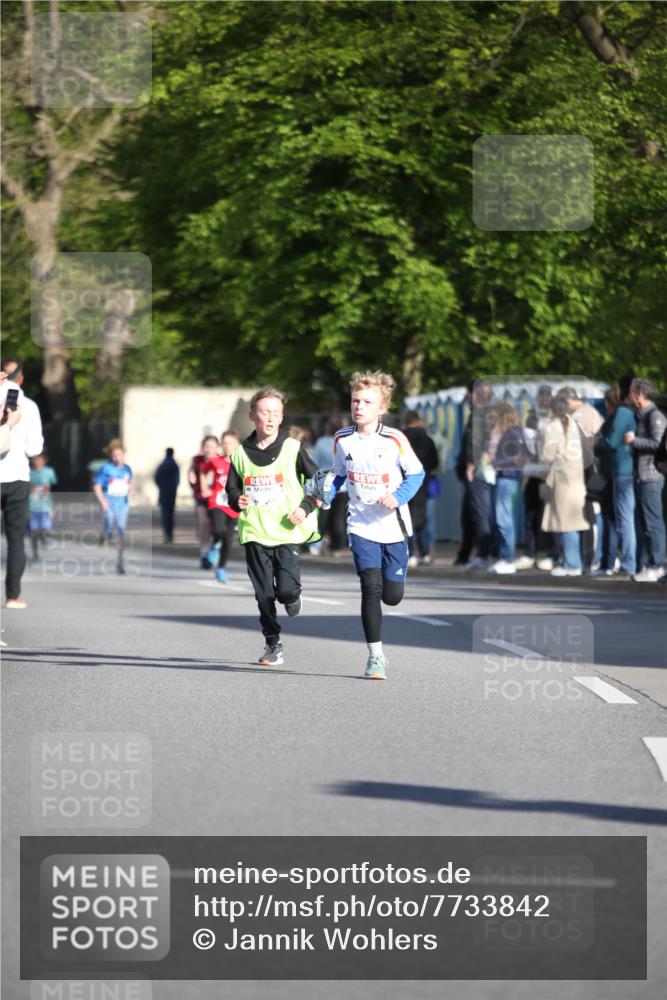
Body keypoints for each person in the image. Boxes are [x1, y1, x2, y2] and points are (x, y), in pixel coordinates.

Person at [321, 371, 424, 680]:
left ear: (381, 408)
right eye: (355, 400)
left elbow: (416, 474)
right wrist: (327, 489)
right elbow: (340, 473)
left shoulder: (395, 439)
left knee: (392, 595)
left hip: (393, 526)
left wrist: (397, 495)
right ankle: (376, 657)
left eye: (367, 402)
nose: (359, 406)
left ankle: (394, 583)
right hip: (361, 524)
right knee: (370, 587)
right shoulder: (342, 438)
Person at [226, 387, 320, 666]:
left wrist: (304, 508)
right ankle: (272, 643)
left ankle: (293, 596)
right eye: (265, 412)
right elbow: (231, 489)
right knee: (264, 593)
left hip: (286, 531)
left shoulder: (293, 448)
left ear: (282, 418)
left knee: (287, 592)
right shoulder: (241, 453)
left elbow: (318, 483)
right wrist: (236, 499)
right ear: (252, 415)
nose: (270, 418)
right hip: (255, 530)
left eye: (276, 413)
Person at [0, 360, 44, 608]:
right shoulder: (29, 406)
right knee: (16, 537)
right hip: (17, 477)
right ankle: (13, 596)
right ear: (22, 378)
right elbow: (35, 448)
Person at [539, 396, 591, 576]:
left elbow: (546, 455)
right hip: (578, 478)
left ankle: (572, 563)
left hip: (562, 479)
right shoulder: (576, 425)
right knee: (575, 522)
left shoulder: (553, 427)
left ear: (552, 410)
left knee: (566, 523)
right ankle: (574, 560)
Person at [557, 386, 604, 571]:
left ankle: (576, 561)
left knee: (577, 519)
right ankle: (588, 560)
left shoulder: (578, 417)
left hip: (580, 476)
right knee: (591, 519)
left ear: (568, 401)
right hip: (590, 474)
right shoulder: (591, 412)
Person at [626, 377, 667, 582]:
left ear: (640, 394)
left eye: (633, 392)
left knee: (653, 523)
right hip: (643, 476)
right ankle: (651, 563)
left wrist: (635, 441)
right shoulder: (643, 415)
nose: (631, 396)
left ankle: (657, 565)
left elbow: (659, 443)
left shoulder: (654, 416)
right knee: (645, 523)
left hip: (652, 476)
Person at [597, 375, 638, 579]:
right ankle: (631, 561)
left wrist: (598, 441)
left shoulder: (622, 412)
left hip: (622, 470)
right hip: (626, 470)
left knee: (625, 519)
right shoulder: (632, 412)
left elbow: (612, 441)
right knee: (626, 519)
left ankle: (629, 563)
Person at [461, 380, 496, 569]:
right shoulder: (493, 413)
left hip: (480, 470)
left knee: (481, 512)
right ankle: (481, 552)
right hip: (490, 469)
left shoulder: (478, 415)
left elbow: (474, 442)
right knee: (484, 512)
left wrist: (470, 464)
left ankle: (483, 554)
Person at [488, 402, 526, 574]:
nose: (493, 419)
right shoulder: (515, 432)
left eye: (495, 415)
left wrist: (495, 462)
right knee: (504, 519)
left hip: (508, 477)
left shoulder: (512, 433)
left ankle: (507, 558)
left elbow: (516, 459)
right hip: (508, 478)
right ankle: (506, 557)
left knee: (504, 520)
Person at [199, 430, 240, 583]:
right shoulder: (215, 461)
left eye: (231, 443)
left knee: (228, 540)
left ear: (237, 445)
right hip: (217, 502)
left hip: (234, 506)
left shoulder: (242, 463)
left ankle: (221, 567)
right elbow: (203, 472)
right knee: (218, 530)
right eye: (225, 443)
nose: (227, 446)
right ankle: (214, 545)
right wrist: (204, 488)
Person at [401, 410, 439, 567]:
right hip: (423, 484)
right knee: (423, 519)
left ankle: (411, 553)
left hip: (402, 484)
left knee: (406, 519)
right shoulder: (428, 440)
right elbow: (435, 463)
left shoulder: (401, 439)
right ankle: (425, 552)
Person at [592, 386, 620, 575]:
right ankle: (607, 561)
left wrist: (596, 442)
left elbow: (607, 443)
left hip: (610, 473)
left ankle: (608, 562)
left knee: (609, 519)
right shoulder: (619, 417)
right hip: (611, 473)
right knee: (611, 519)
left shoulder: (614, 419)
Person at [93, 439, 132, 575]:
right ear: (110, 455)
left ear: (123, 454)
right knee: (109, 521)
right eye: (114, 455)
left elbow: (128, 485)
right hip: (109, 502)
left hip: (123, 504)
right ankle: (105, 534)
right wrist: (103, 501)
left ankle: (120, 563)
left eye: (119, 455)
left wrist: (131, 494)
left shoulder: (127, 469)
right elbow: (97, 486)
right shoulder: (106, 469)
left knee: (121, 532)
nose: (117, 458)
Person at [28, 451, 57, 561]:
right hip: (31, 506)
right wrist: (29, 490)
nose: (37, 461)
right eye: (35, 459)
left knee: (46, 527)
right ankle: (35, 552)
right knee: (33, 531)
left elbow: (55, 486)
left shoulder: (49, 472)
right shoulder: (28, 473)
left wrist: (48, 490)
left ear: (45, 460)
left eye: (40, 459)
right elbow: (23, 488)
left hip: (46, 506)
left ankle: (44, 539)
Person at [189, 440, 213, 568]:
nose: (209, 449)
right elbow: (191, 472)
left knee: (215, 527)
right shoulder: (198, 460)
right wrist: (191, 475)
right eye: (207, 447)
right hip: (201, 497)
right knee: (203, 523)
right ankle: (204, 553)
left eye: (212, 447)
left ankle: (214, 549)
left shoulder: (220, 460)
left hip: (217, 499)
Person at [154, 447, 180, 543]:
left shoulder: (162, 465)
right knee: (171, 514)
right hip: (172, 493)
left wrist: (161, 486)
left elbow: (156, 477)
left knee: (165, 514)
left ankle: (167, 534)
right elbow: (177, 480)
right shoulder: (175, 465)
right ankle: (170, 534)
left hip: (164, 493)